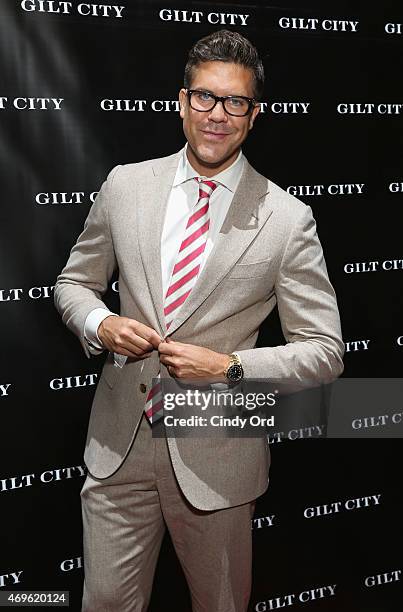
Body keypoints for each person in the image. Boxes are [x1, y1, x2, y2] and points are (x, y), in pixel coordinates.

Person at [54, 29, 344, 612]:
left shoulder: (288, 220)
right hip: (118, 446)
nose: (218, 115)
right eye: (206, 97)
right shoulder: (125, 185)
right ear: (181, 101)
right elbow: (73, 284)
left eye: (235, 102)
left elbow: (324, 350)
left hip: (218, 455)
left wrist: (231, 367)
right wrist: (99, 325)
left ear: (254, 114)